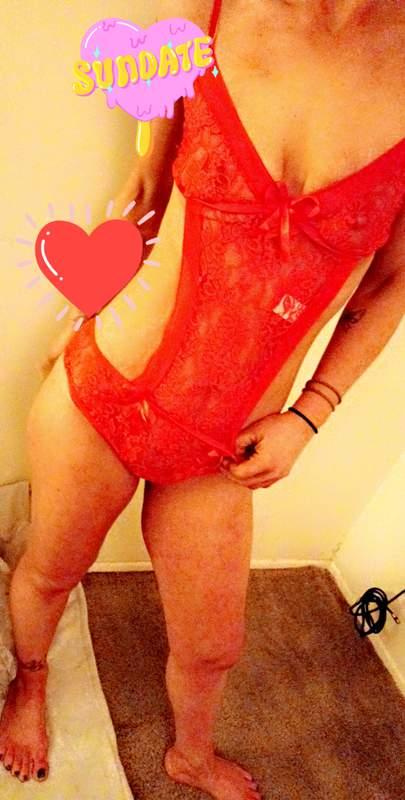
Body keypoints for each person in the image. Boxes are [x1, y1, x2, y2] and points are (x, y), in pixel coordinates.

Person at [1, 1, 405, 797]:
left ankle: (190, 753)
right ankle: (31, 681)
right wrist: (87, 304)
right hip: (106, 387)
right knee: (50, 570)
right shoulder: (207, 10)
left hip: (227, 445)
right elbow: (145, 185)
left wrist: (310, 414)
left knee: (214, 645)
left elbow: (390, 283)